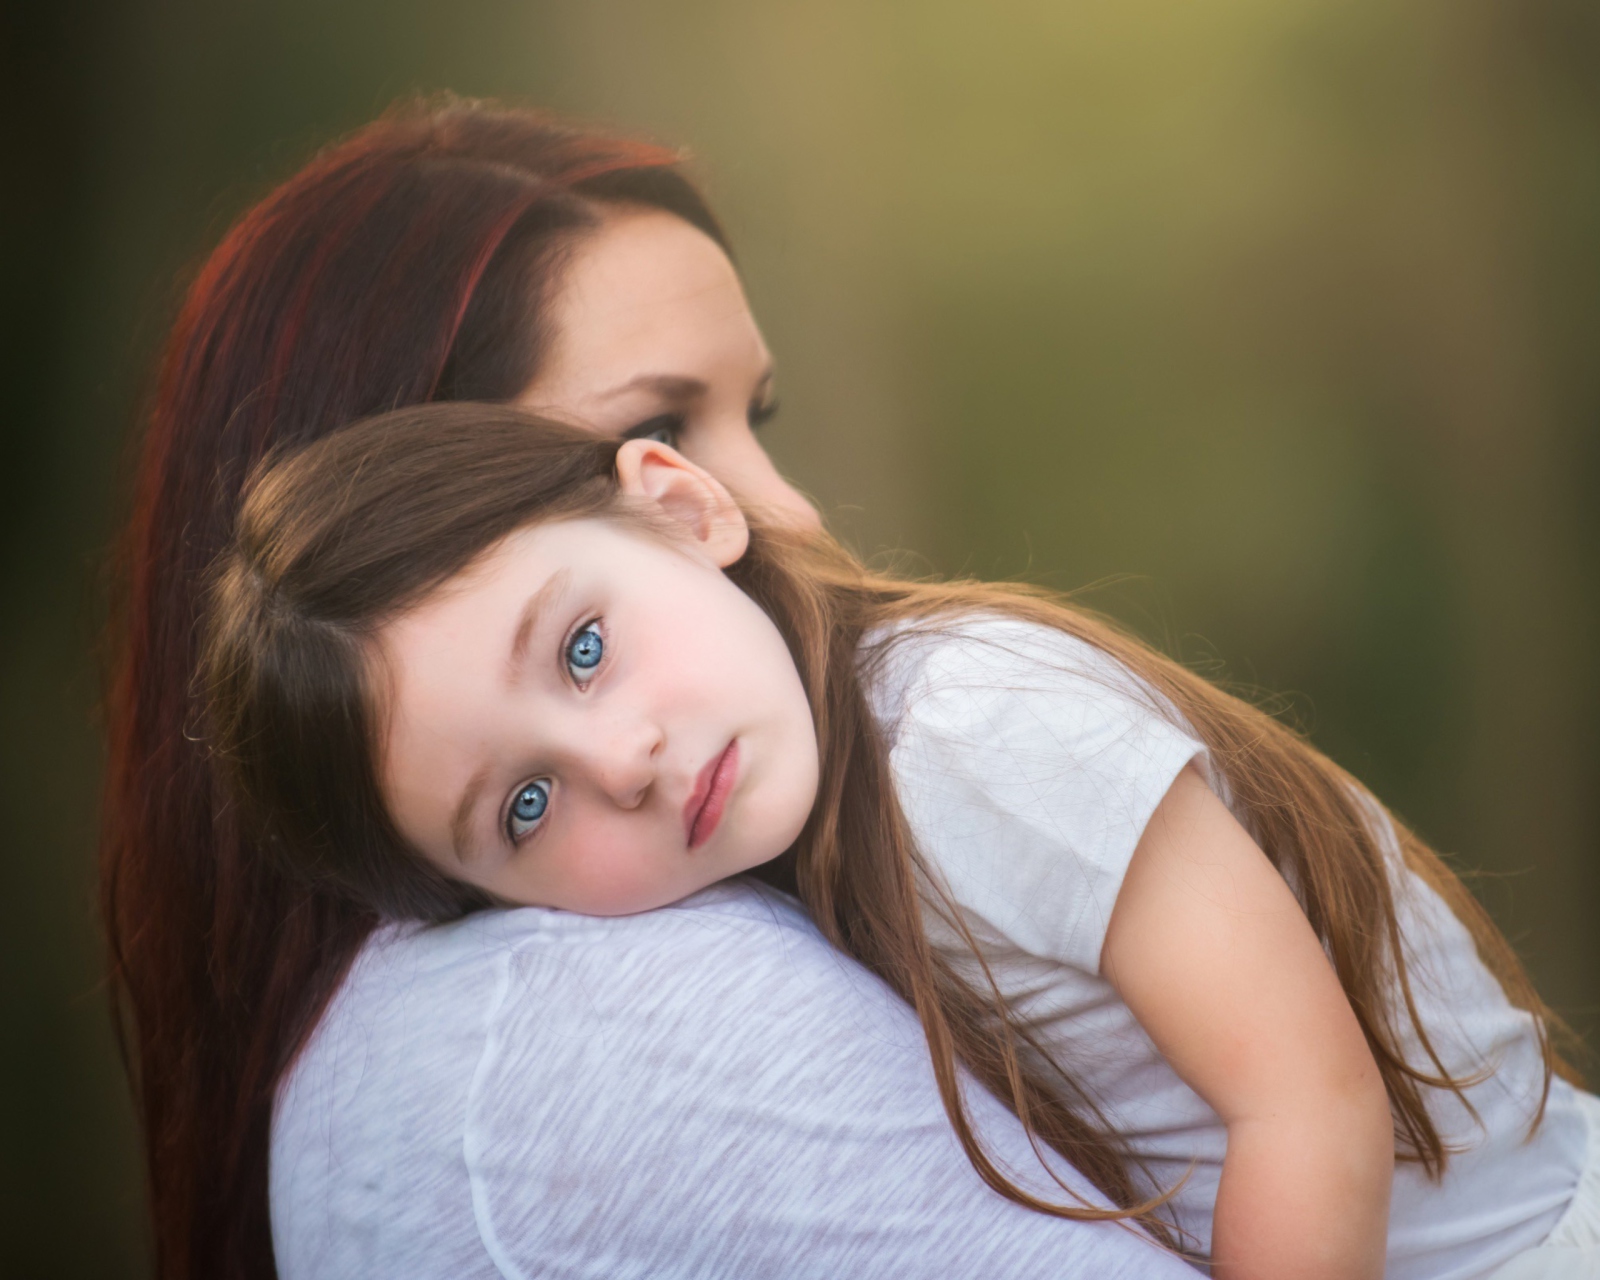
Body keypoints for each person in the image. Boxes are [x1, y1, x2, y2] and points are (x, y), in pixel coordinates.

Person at [100, 97, 1193, 1280]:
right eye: (661, 418)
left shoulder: (941, 752)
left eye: (748, 415)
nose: (791, 517)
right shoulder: (607, 1014)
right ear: (401, 496)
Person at [203, 404, 1600, 1280]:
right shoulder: (779, 830)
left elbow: (1308, 1103)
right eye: (522, 809)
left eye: (581, 647)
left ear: (682, 508)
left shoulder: (972, 737)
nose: (617, 762)